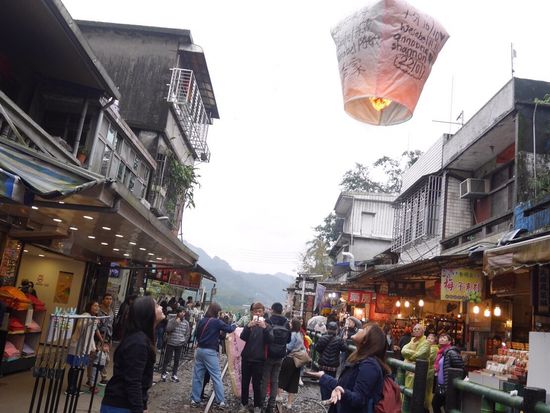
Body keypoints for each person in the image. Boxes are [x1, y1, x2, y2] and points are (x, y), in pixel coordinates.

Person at [101, 295, 165, 413]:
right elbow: (133, 381)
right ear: (147, 313)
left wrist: (143, 405)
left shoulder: (141, 339)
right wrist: (139, 409)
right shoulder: (138, 343)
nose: (161, 307)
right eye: (156, 306)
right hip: (120, 405)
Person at [309, 323, 388, 412]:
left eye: (364, 330)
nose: (359, 330)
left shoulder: (370, 366)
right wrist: (323, 377)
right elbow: (343, 386)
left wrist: (342, 392)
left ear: (366, 340)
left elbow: (359, 399)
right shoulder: (361, 360)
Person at [190, 302, 236, 408]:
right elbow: (230, 329)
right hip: (210, 352)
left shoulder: (202, 320)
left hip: (199, 350)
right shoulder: (216, 322)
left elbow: (196, 334)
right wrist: (234, 324)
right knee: (216, 376)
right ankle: (220, 401)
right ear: (216, 312)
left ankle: (195, 399)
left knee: (197, 376)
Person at [239, 302, 271, 413]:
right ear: (252, 312)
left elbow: (270, 340)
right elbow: (243, 337)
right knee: (245, 383)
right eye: (255, 311)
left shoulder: (267, 325)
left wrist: (264, 328)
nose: (257, 313)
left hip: (259, 360)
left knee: (257, 385)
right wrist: (248, 327)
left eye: (260, 311)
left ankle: (257, 406)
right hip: (246, 358)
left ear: (263, 312)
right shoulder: (250, 324)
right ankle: (244, 404)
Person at [261, 302, 290, 413]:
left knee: (265, 379)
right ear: (281, 310)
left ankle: (261, 403)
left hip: (269, 354)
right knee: (275, 380)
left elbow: (264, 337)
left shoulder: (268, 321)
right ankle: (271, 405)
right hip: (280, 355)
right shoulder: (286, 323)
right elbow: (288, 340)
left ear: (272, 310)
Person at [67, 301, 101, 395]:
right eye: (95, 305)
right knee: (74, 367)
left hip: (84, 347)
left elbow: (91, 335)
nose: (97, 307)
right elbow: (80, 326)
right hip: (77, 346)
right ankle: (70, 389)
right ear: (89, 306)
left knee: (78, 368)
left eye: (98, 306)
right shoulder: (85, 315)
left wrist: (94, 347)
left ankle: (74, 387)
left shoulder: (93, 318)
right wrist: (92, 320)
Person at [277, 318, 305, 410]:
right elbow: (303, 348)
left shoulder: (292, 335)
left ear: (293, 325)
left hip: (290, 359)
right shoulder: (300, 334)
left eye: (290, 323)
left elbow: (289, 347)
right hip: (298, 360)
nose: (289, 324)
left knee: (282, 377)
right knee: (293, 381)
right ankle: (289, 403)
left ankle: (279, 396)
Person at [432, 333, 465, 413]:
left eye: (444, 338)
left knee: (441, 406)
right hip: (441, 386)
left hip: (448, 386)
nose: (441, 339)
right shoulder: (441, 353)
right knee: (436, 404)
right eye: (440, 337)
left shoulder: (451, 352)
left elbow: (461, 367)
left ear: (449, 342)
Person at [316, 321, 349, 401]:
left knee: (323, 380)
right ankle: (329, 397)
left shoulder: (322, 338)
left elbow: (318, 349)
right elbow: (344, 348)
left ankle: (324, 398)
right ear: (336, 330)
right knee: (331, 382)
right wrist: (344, 340)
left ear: (327, 329)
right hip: (333, 366)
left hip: (323, 364)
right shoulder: (339, 340)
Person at [161, 306, 190, 382]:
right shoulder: (172, 320)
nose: (182, 313)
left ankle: (174, 374)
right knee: (167, 359)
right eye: (181, 312)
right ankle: (163, 373)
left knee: (177, 360)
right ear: (178, 313)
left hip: (180, 344)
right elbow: (168, 329)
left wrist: (184, 341)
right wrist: (176, 322)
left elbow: (187, 333)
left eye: (183, 312)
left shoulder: (186, 323)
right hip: (171, 342)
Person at [401, 324, 430, 392]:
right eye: (415, 329)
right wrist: (414, 354)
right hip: (407, 369)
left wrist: (408, 358)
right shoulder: (411, 341)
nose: (416, 330)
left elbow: (420, 355)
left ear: (423, 331)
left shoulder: (426, 343)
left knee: (415, 391)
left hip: (418, 371)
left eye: (419, 329)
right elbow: (403, 351)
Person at [95, 293, 114, 385]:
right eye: (107, 298)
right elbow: (96, 327)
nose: (109, 300)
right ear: (103, 300)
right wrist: (100, 338)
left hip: (108, 337)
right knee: (98, 358)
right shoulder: (99, 311)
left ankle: (102, 377)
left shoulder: (111, 311)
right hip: (99, 337)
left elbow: (111, 326)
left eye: (110, 299)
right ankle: (94, 379)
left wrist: (110, 340)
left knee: (106, 359)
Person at [425, 332, 439, 410]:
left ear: (435, 341)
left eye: (432, 338)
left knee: (427, 389)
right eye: (428, 338)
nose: (429, 339)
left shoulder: (434, 348)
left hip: (429, 371)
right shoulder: (428, 347)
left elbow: (428, 358)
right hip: (427, 370)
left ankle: (426, 406)